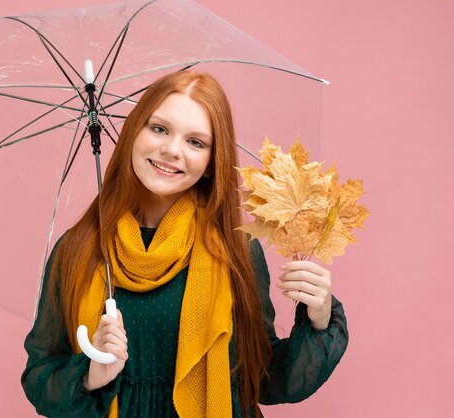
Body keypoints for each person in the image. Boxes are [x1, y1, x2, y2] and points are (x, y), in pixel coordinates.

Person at [21, 71, 348, 418]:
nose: (171, 150)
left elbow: (264, 379)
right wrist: (91, 374)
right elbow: (40, 374)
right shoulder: (77, 249)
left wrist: (319, 318)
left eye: (195, 142)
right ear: (134, 132)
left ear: (210, 163)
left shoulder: (236, 249)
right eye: (159, 129)